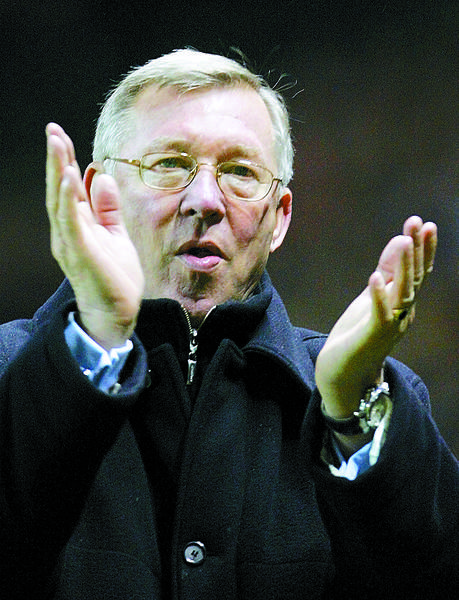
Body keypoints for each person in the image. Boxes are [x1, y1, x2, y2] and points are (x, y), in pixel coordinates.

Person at [0, 49, 457, 600]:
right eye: (169, 164)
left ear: (279, 218)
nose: (205, 201)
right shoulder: (8, 367)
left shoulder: (375, 404)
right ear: (101, 196)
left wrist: (350, 413)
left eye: (240, 172)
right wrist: (96, 334)